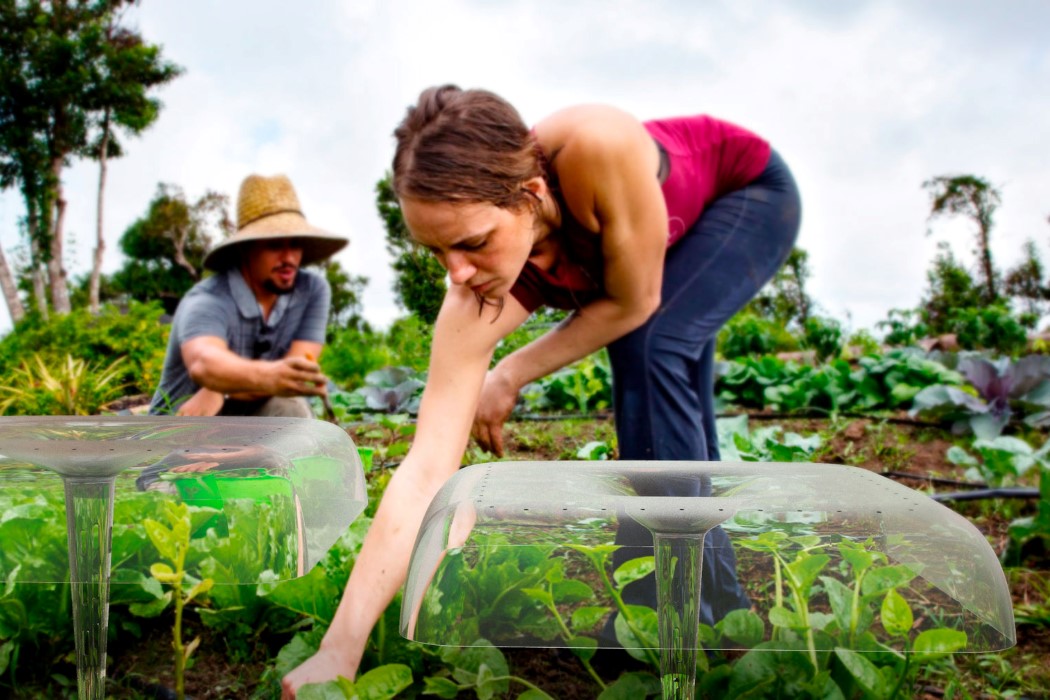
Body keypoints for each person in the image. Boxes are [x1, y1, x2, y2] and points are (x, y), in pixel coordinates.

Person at [282, 85, 801, 695]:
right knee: (662, 368)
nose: (457, 273)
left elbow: (636, 300)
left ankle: (698, 617)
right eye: (436, 250)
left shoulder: (594, 149)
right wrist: (338, 650)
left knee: (653, 343)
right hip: (644, 248)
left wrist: (509, 373)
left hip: (744, 196)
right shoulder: (473, 285)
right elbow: (426, 469)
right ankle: (664, 603)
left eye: (472, 243)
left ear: (530, 195)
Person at [149, 173, 347, 418]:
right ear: (245, 248)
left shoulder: (312, 290)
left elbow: (293, 377)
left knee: (292, 410)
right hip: (181, 427)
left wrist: (221, 389)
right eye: (274, 245)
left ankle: (249, 456)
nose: (289, 259)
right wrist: (258, 379)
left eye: (295, 244)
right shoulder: (208, 299)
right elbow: (204, 363)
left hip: (250, 421)